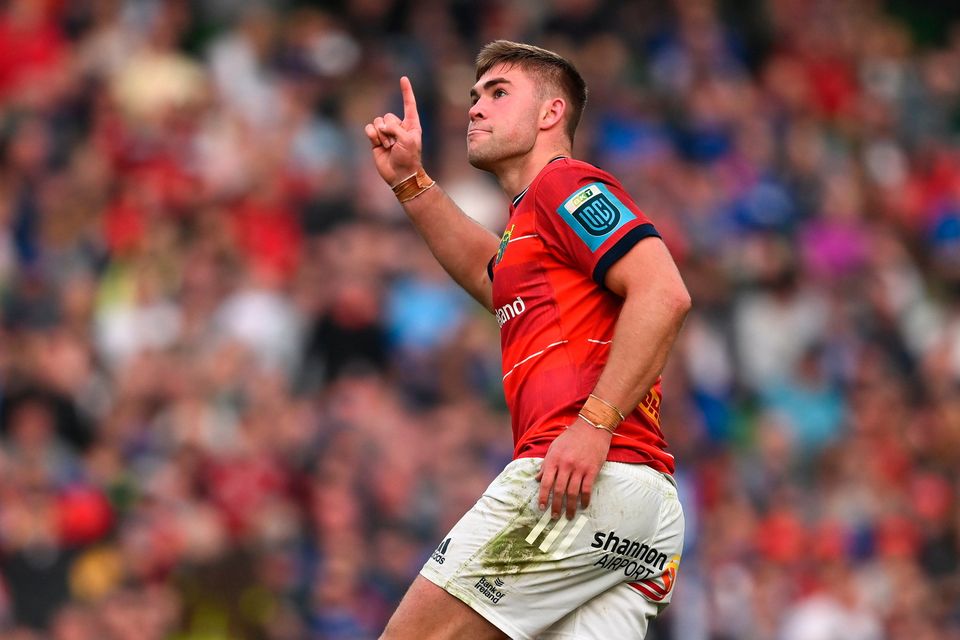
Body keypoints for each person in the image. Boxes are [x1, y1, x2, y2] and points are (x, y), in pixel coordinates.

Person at [364, 40, 691, 640]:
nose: (475, 109)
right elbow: (494, 274)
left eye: (497, 92)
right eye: (473, 97)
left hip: (583, 484)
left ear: (550, 114)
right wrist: (412, 182)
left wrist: (594, 423)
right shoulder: (529, 227)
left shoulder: (563, 185)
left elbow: (663, 292)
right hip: (641, 515)